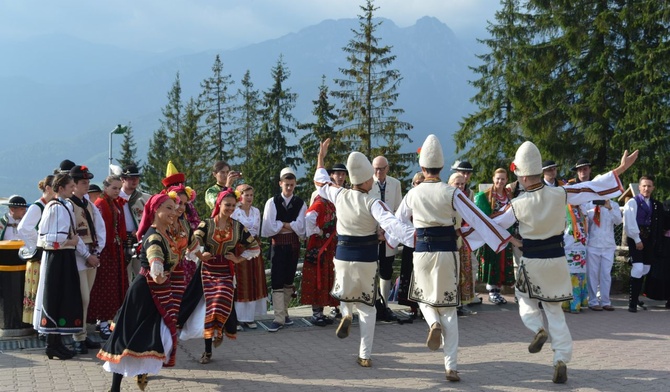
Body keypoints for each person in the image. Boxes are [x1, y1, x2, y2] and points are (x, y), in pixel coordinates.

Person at [477, 141, 637, 383]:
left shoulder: (517, 204)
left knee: (524, 299)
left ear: (518, 173)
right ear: (540, 170)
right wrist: (619, 169)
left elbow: (491, 223)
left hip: (532, 260)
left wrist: (509, 239)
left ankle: (536, 329)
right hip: (557, 260)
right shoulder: (561, 193)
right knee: (555, 311)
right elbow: (591, 187)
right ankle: (560, 358)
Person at [397, 135, 514, 383]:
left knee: (423, 297)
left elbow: (397, 222)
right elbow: (477, 218)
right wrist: (502, 238)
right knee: (449, 308)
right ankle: (450, 366)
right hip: (448, 251)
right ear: (441, 167)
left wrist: (408, 238)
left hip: (421, 252)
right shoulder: (453, 193)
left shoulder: (413, 193)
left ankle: (431, 323)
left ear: (422, 167)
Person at [315, 139, 415, 368]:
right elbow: (393, 224)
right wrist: (415, 238)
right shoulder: (373, 203)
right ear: (367, 178)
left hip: (341, 255)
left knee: (344, 293)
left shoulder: (339, 194)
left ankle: (346, 313)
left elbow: (319, 181)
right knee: (368, 308)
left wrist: (321, 157)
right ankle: (364, 355)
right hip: (366, 258)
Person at [97, 194, 180, 392]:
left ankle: (139, 373)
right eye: (168, 208)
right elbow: (154, 254)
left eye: (174, 208)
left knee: (150, 336)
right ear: (155, 210)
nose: (173, 212)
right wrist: (157, 268)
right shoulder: (154, 236)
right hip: (146, 292)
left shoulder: (164, 233)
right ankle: (115, 387)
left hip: (157, 291)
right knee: (131, 336)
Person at [178, 189, 260, 364]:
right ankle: (208, 350)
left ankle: (219, 331)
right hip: (207, 272)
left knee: (218, 304)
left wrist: (238, 258)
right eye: (227, 205)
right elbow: (193, 243)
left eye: (232, 205)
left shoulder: (238, 227)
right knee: (209, 311)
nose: (230, 208)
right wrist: (201, 256)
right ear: (219, 204)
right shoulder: (207, 224)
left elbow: (254, 247)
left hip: (225, 272)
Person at [33, 173, 83, 360]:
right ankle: (51, 345)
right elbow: (53, 240)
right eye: (71, 186)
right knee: (54, 297)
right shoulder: (55, 208)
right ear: (60, 188)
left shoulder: (65, 205)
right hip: (57, 258)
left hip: (63, 257)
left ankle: (56, 343)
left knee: (62, 298)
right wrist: (72, 241)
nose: (73, 189)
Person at [261, 167, 306, 332]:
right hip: (277, 247)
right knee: (277, 279)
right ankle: (278, 317)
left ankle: (284, 313)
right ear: (280, 184)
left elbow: (302, 228)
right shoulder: (272, 202)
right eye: (286, 184)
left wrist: (281, 225)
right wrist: (290, 226)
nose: (289, 188)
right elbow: (268, 227)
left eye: (292, 185)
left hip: (293, 247)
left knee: (288, 279)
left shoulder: (300, 203)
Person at [68, 165, 105, 354]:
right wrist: (87, 255)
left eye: (88, 182)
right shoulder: (68, 205)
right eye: (83, 183)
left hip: (91, 254)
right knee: (82, 298)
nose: (87, 186)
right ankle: (77, 337)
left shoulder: (89, 204)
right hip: (78, 256)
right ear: (73, 184)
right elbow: (72, 234)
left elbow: (100, 228)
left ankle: (81, 334)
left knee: (87, 297)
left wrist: (97, 251)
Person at [302, 167, 344, 326]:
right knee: (316, 277)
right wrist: (318, 231)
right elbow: (309, 217)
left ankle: (321, 312)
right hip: (319, 247)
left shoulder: (329, 203)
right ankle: (316, 313)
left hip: (328, 246)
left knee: (325, 277)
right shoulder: (320, 202)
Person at [89, 175, 128, 334]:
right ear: (105, 188)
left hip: (114, 250)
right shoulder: (101, 204)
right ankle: (102, 321)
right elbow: (101, 230)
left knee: (114, 285)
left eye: (119, 188)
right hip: (105, 251)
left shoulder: (113, 203)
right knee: (105, 286)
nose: (117, 191)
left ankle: (108, 320)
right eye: (114, 188)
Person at [368, 156, 403, 321]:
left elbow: (398, 209)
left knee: (386, 269)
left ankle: (385, 305)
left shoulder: (395, 184)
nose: (378, 172)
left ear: (387, 168)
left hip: (389, 234)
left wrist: (387, 230)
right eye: (375, 168)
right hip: (372, 234)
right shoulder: (367, 183)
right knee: (370, 269)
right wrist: (376, 231)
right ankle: (372, 304)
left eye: (382, 168)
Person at [623, 175, 664, 312]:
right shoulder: (633, 202)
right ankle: (632, 303)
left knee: (645, 269)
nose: (646, 188)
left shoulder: (653, 204)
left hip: (648, 239)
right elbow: (629, 223)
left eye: (649, 186)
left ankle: (636, 297)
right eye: (644, 186)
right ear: (639, 187)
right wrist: (637, 239)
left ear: (653, 188)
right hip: (636, 238)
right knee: (638, 268)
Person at [474, 168, 515, 305]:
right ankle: (492, 291)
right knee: (493, 261)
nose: (500, 181)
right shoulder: (485, 196)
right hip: (492, 234)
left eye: (503, 179)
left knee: (504, 261)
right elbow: (483, 217)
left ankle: (499, 290)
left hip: (506, 232)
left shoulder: (509, 194)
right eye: (498, 178)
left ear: (506, 180)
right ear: (493, 179)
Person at [18, 175, 55, 325]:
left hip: (45, 254)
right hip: (39, 256)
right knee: (38, 291)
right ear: (48, 188)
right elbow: (23, 228)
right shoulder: (37, 207)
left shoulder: (50, 205)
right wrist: (38, 242)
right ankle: (38, 323)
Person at [231, 184, 268, 329]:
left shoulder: (256, 211)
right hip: (240, 248)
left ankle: (249, 317)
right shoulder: (235, 212)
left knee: (253, 280)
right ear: (240, 196)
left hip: (254, 246)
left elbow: (256, 230)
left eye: (251, 195)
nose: (249, 198)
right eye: (246, 195)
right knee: (241, 282)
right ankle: (238, 318)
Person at [396, 172, 424, 319]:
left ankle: (426, 309)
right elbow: (400, 217)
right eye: (417, 183)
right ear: (413, 185)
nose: (419, 185)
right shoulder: (410, 196)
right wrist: (412, 230)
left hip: (425, 242)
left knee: (424, 275)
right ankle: (413, 307)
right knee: (410, 273)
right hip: (411, 240)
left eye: (422, 182)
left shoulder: (429, 197)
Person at [118, 163, 151, 293]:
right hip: (121, 241)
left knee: (141, 275)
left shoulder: (144, 198)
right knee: (123, 278)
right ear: (122, 179)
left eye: (136, 178)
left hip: (138, 241)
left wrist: (140, 230)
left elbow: (150, 219)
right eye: (131, 178)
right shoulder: (115, 197)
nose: (134, 181)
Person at [586, 196, 622, 311]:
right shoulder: (589, 204)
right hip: (593, 245)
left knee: (606, 274)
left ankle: (605, 301)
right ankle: (593, 301)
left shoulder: (614, 205)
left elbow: (618, 221)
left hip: (608, 245)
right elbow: (586, 223)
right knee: (592, 274)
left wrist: (610, 208)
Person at [164, 185, 199, 307]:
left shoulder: (184, 223)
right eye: (178, 202)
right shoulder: (162, 223)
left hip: (182, 267)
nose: (181, 207)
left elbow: (193, 245)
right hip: (164, 270)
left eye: (184, 204)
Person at [447, 173, 476, 316]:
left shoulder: (466, 198)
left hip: (463, 239)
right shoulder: (446, 198)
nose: (459, 186)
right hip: (448, 240)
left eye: (462, 184)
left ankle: (460, 304)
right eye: (457, 184)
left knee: (462, 273)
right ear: (450, 184)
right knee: (450, 272)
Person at [162, 161, 200, 230]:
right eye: (173, 186)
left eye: (178, 184)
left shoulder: (188, 204)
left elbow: (196, 222)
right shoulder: (163, 204)